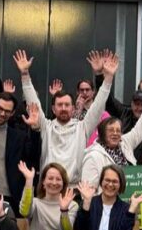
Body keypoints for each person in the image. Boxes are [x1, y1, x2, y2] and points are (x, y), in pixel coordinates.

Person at [17, 49, 115, 183]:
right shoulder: (46, 127)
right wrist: (24, 74)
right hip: (48, 190)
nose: (63, 108)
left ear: (73, 107)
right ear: (53, 108)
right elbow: (33, 102)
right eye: (60, 105)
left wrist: (108, 78)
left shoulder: (83, 128)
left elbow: (98, 105)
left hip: (74, 191)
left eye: (67, 105)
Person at [81, 85, 142, 188]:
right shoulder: (93, 156)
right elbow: (88, 190)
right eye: (111, 130)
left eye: (118, 130)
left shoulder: (125, 143)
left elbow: (141, 127)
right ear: (101, 134)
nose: (115, 133)